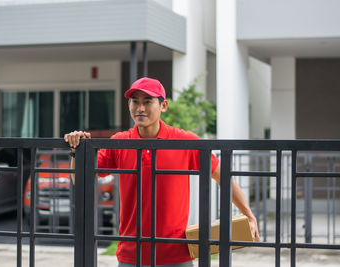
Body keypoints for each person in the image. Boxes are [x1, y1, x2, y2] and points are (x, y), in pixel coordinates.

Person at [64, 77, 260, 267]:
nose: (140, 108)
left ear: (163, 105)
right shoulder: (119, 142)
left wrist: (249, 215)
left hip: (176, 254)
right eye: (135, 101)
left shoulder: (184, 141)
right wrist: (76, 151)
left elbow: (222, 177)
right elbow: (79, 180)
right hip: (132, 254)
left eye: (147, 101)